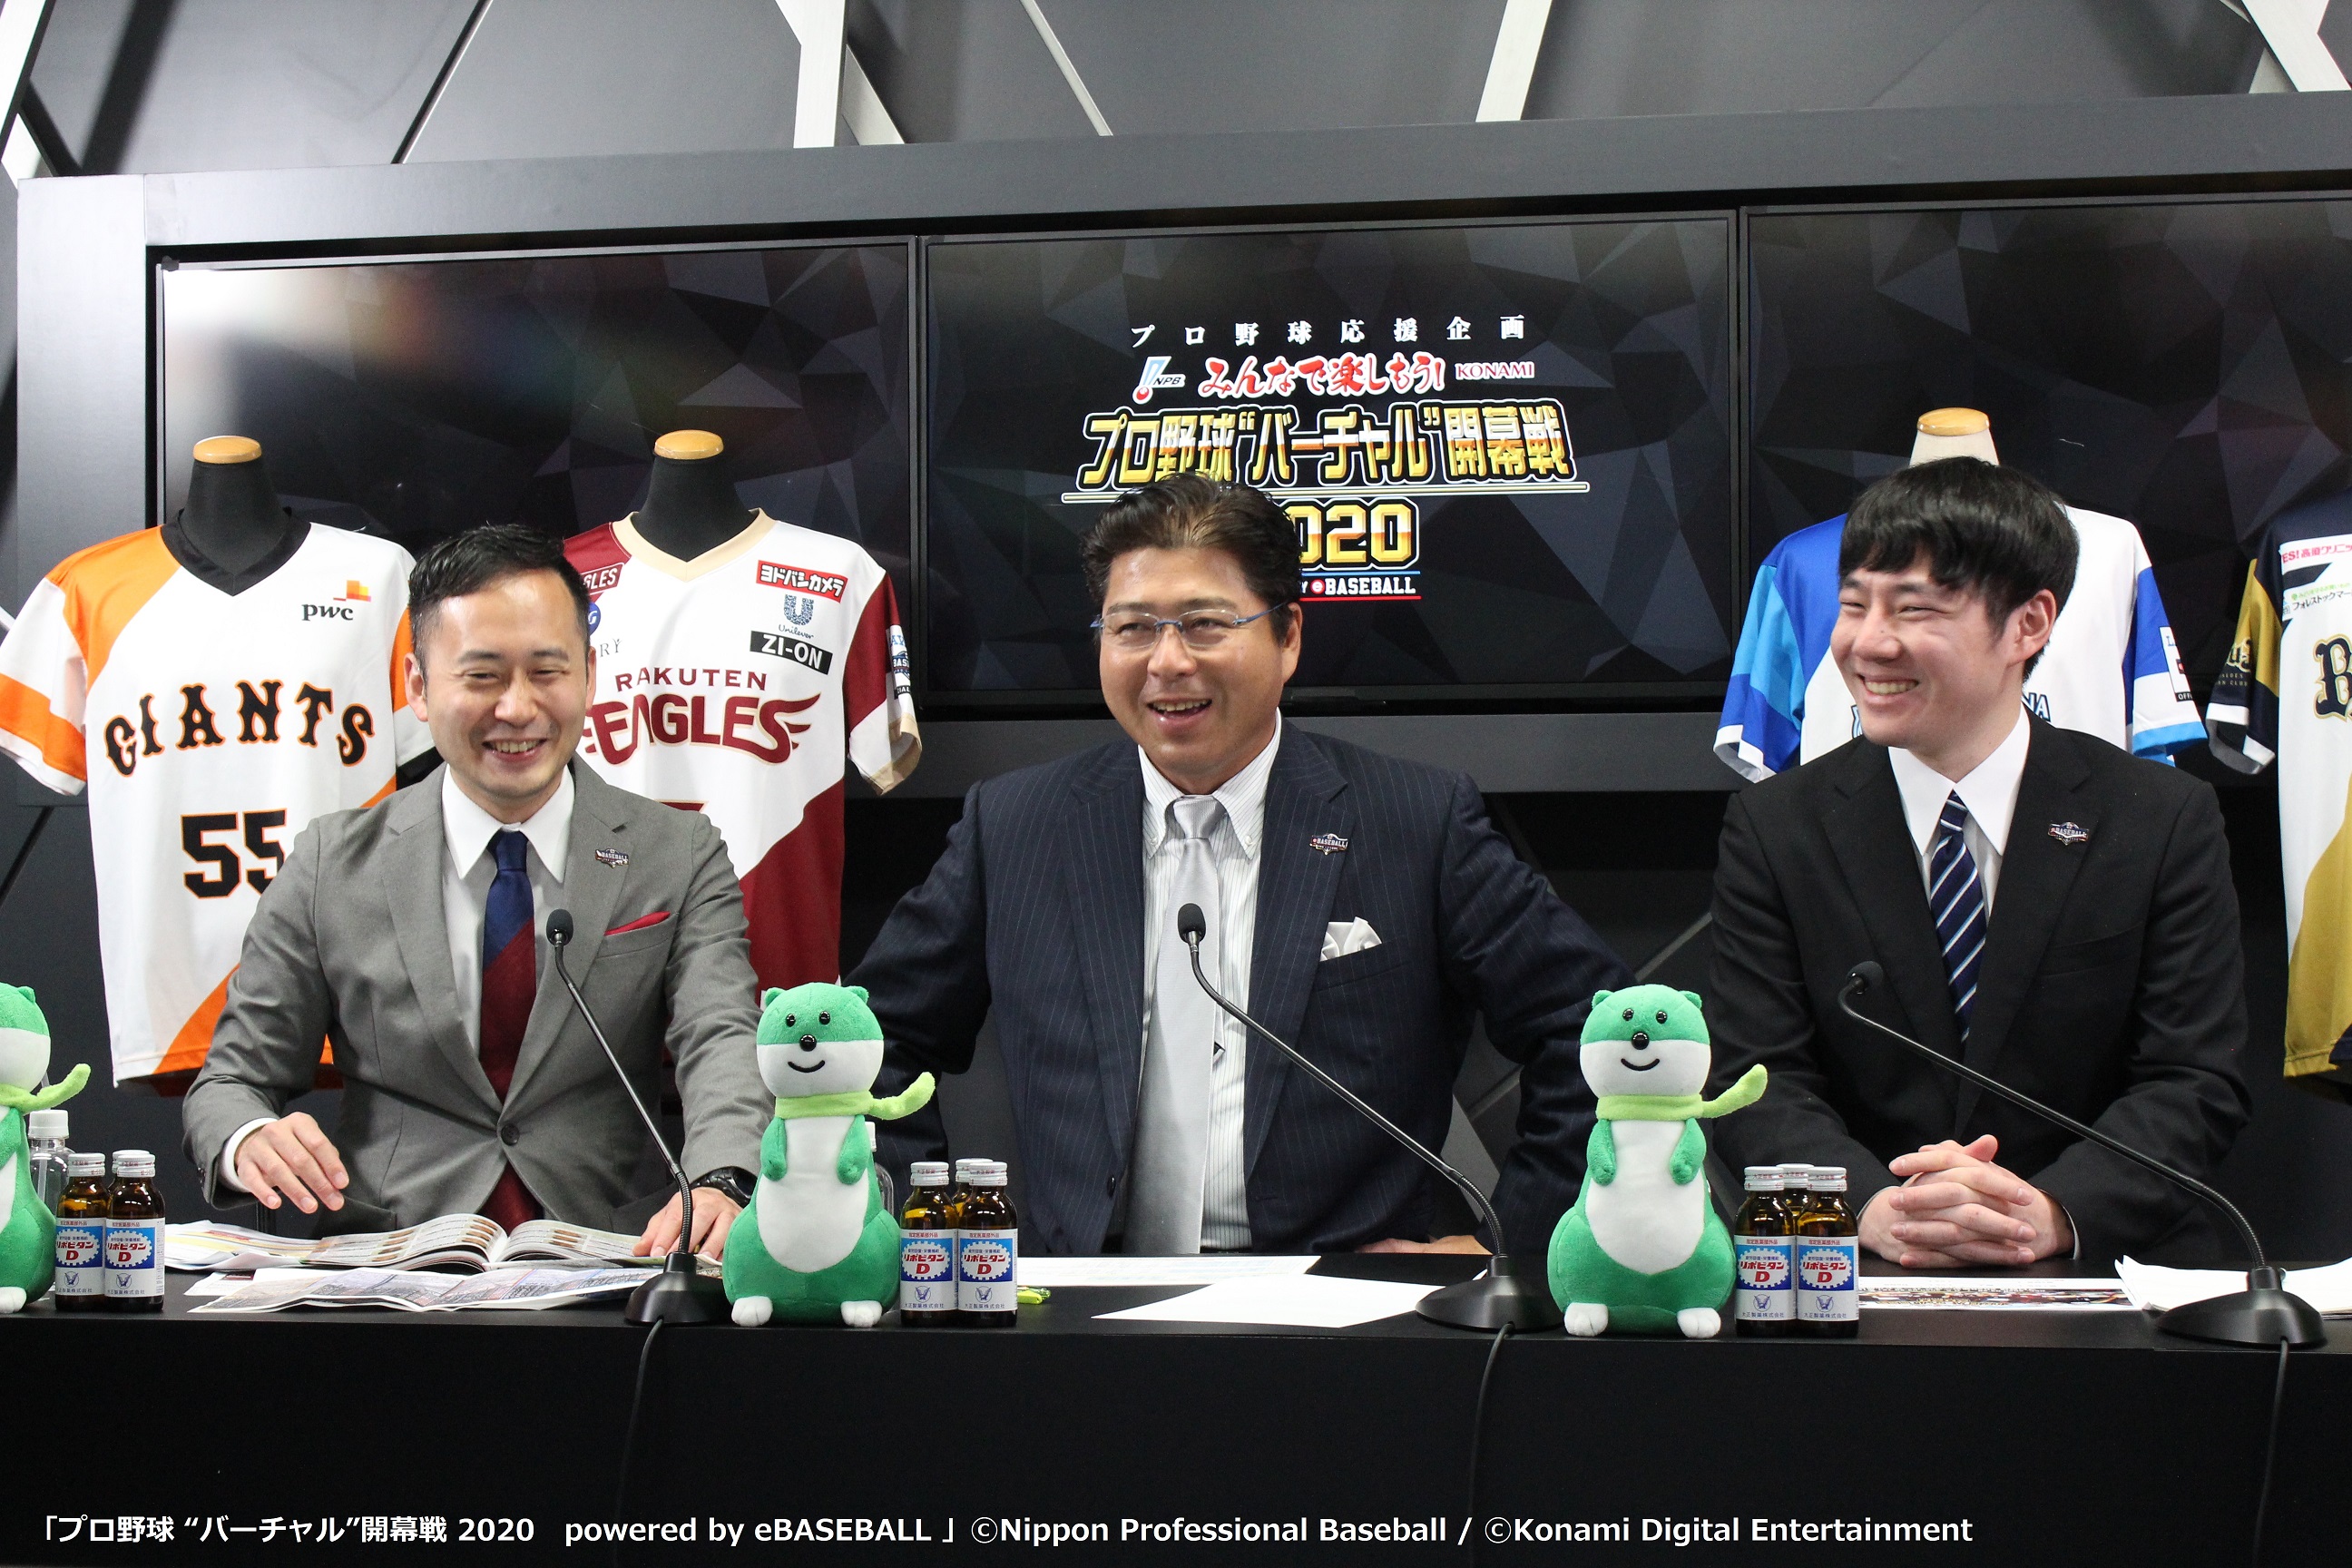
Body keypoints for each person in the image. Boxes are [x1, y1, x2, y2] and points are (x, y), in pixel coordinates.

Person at [854, 475, 1629, 1258]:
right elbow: (864, 1043)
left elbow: (1607, 1034)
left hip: (1342, 1299)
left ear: (1288, 637)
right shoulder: (1016, 826)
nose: (1166, 662)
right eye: (1132, 628)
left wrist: (1515, 1250)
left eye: (1204, 624)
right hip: (1080, 1295)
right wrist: (928, 1239)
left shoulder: (1416, 822)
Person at [1706, 458, 2250, 1267]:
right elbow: (1757, 1077)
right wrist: (1874, 1209)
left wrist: (2052, 1212)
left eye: (1915, 608)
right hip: (1856, 1272)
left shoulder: (2161, 818)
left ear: (2029, 624)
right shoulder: (1776, 825)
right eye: (1854, 604)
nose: (1869, 642)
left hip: (2101, 1271)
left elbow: (2194, 1080)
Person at [181, 525, 768, 1257]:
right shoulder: (331, 864)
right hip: (390, 1268)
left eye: (547, 671)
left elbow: (721, 1037)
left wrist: (723, 1179)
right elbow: (230, 1082)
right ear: (418, 688)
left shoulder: (677, 853)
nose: (518, 709)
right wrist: (248, 1137)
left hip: (616, 1260)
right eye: (483, 676)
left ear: (589, 674)